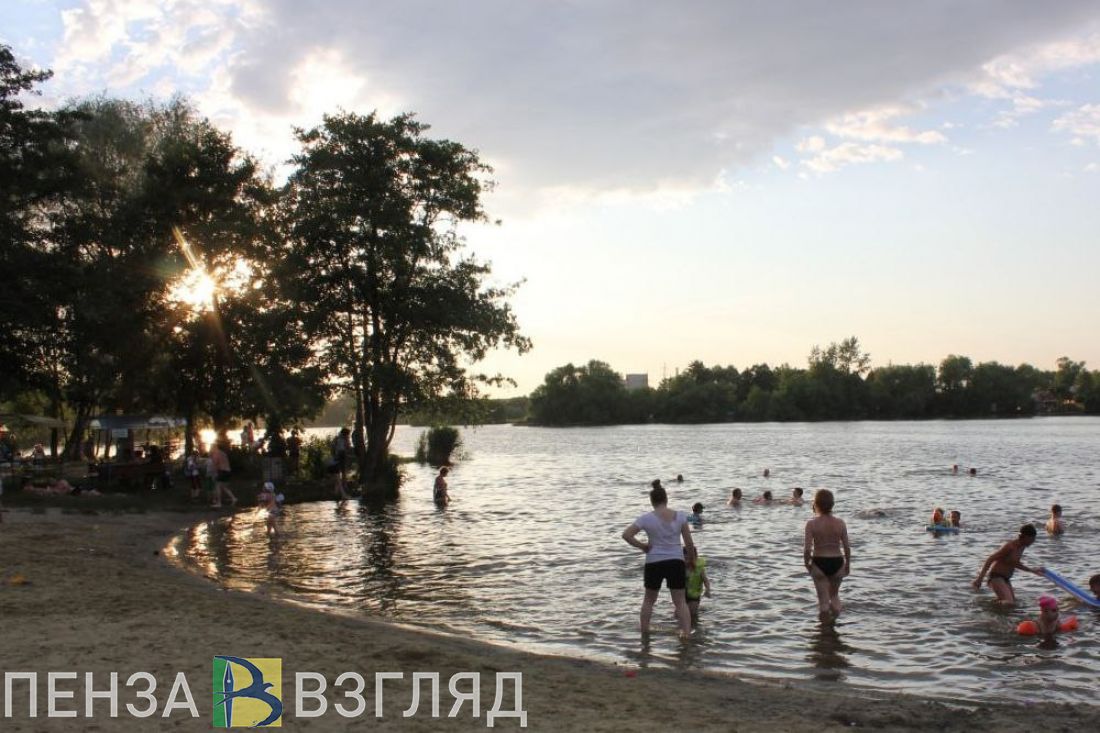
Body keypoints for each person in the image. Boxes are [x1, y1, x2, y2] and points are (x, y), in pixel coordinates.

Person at [621, 483, 694, 638]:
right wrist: (692, 560)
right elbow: (689, 543)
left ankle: (645, 631)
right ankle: (686, 634)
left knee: (649, 600)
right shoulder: (680, 516)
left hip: (654, 561)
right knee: (680, 601)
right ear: (666, 499)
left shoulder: (646, 518)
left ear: (652, 501)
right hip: (675, 560)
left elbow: (626, 535)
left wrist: (642, 546)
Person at [804, 489, 850, 623]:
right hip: (837, 561)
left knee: (823, 602)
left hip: (819, 561)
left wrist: (807, 564)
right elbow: (846, 547)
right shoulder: (840, 523)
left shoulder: (811, 524)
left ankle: (824, 632)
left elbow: (807, 549)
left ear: (816, 504)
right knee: (834, 596)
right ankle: (835, 626)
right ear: (832, 504)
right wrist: (848, 564)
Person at [971, 524, 1039, 604]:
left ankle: (991, 605)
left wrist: (1032, 570)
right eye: (1032, 539)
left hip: (1006, 578)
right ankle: (986, 606)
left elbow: (1014, 563)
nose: (1033, 542)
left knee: (1013, 603)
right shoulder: (1010, 546)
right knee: (1008, 602)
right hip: (996, 576)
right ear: (1025, 537)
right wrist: (980, 579)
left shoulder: (1022, 546)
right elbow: (990, 559)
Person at [684, 545, 712, 620]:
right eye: (685, 558)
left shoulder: (699, 569)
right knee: (678, 614)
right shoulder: (680, 567)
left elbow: (705, 580)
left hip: (694, 595)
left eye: (690, 559)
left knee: (693, 615)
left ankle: (695, 627)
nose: (688, 561)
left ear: (695, 557)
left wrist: (707, 590)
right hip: (682, 595)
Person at [209, 439, 237, 509]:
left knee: (217, 486)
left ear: (214, 447)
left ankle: (219, 503)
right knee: (224, 486)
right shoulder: (222, 453)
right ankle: (233, 498)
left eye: (211, 447)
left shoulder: (216, 453)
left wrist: (213, 473)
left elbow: (215, 464)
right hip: (228, 471)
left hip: (222, 471)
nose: (210, 448)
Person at [331, 428, 351, 500]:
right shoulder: (341, 439)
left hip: (340, 455)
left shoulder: (339, 438)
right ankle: (342, 488)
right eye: (348, 434)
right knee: (341, 472)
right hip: (340, 455)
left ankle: (339, 489)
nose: (348, 435)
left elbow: (333, 447)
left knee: (341, 472)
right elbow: (347, 447)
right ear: (345, 434)